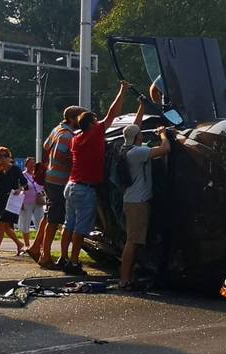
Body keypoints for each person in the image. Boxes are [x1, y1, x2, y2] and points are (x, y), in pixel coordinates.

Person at [63, 81, 130, 276]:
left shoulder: (76, 138)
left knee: (69, 224)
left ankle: (64, 258)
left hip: (71, 185)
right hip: (85, 189)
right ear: (92, 124)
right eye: (95, 120)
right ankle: (74, 262)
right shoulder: (94, 134)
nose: (99, 122)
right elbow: (112, 113)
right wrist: (122, 91)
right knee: (80, 228)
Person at [119, 99, 171, 289]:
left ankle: (129, 277)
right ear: (137, 138)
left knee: (135, 241)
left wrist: (141, 107)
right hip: (137, 203)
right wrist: (163, 134)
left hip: (133, 201)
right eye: (140, 134)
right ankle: (124, 279)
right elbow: (165, 149)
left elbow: (134, 129)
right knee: (133, 242)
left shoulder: (126, 149)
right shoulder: (137, 153)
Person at [28, 106, 86, 269]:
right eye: (80, 118)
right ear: (73, 119)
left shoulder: (57, 129)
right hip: (59, 181)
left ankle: (35, 247)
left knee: (48, 216)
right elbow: (60, 153)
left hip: (50, 177)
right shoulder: (67, 135)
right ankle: (45, 257)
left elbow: (46, 145)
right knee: (54, 220)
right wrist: (75, 158)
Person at [0, 146, 28, 257]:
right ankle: (19, 245)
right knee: (5, 227)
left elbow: (25, 183)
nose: (3, 158)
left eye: (5, 156)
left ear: (9, 157)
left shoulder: (15, 169)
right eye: (0, 156)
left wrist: (19, 189)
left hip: (11, 201)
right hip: (1, 201)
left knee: (1, 223)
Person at [19, 157, 45, 249]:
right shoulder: (23, 175)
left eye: (33, 163)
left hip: (38, 202)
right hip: (26, 202)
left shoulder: (37, 175)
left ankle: (41, 246)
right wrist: (20, 202)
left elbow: (42, 186)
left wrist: (41, 193)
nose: (32, 165)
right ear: (26, 165)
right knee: (25, 223)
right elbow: (19, 188)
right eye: (30, 163)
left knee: (40, 223)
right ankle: (27, 245)